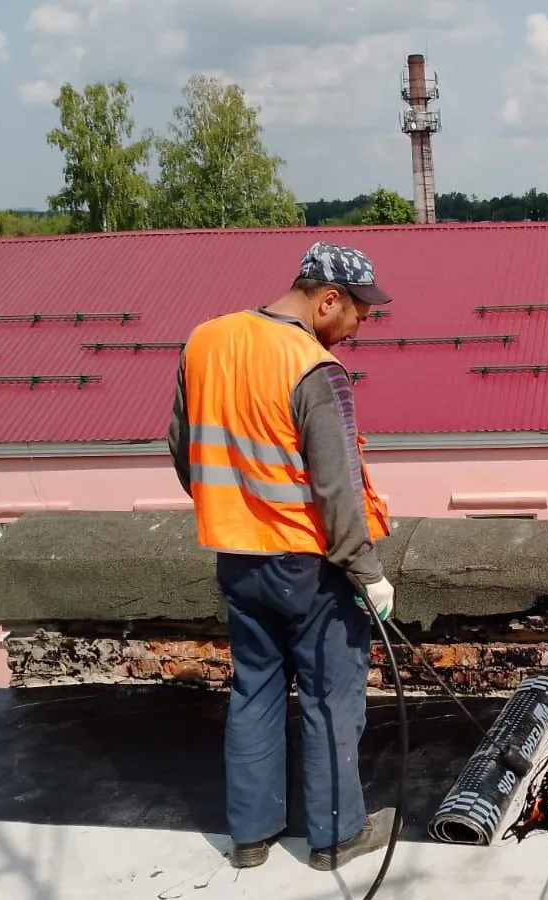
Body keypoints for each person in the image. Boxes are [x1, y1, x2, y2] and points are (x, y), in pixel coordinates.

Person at [167, 241, 397, 871]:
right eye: (358, 314)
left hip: (237, 557)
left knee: (254, 691)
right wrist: (368, 572)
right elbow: (337, 487)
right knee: (329, 701)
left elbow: (182, 447)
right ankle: (335, 837)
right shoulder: (313, 368)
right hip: (310, 565)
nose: (358, 328)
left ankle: (250, 838)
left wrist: (232, 505)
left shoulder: (205, 341)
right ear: (328, 300)